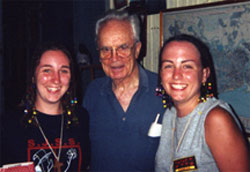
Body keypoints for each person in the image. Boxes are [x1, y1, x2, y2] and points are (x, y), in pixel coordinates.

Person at [82, 9, 165, 171]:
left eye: (123, 47)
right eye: (106, 49)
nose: (114, 58)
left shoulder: (164, 90)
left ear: (138, 49)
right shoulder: (92, 92)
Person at [155, 34, 250, 172]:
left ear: (204, 75)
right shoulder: (170, 114)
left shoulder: (216, 119)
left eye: (187, 66)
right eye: (168, 66)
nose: (176, 75)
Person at [2, 43, 90, 171]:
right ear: (33, 76)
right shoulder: (9, 124)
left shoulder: (81, 118)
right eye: (47, 70)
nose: (56, 79)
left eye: (64, 71)